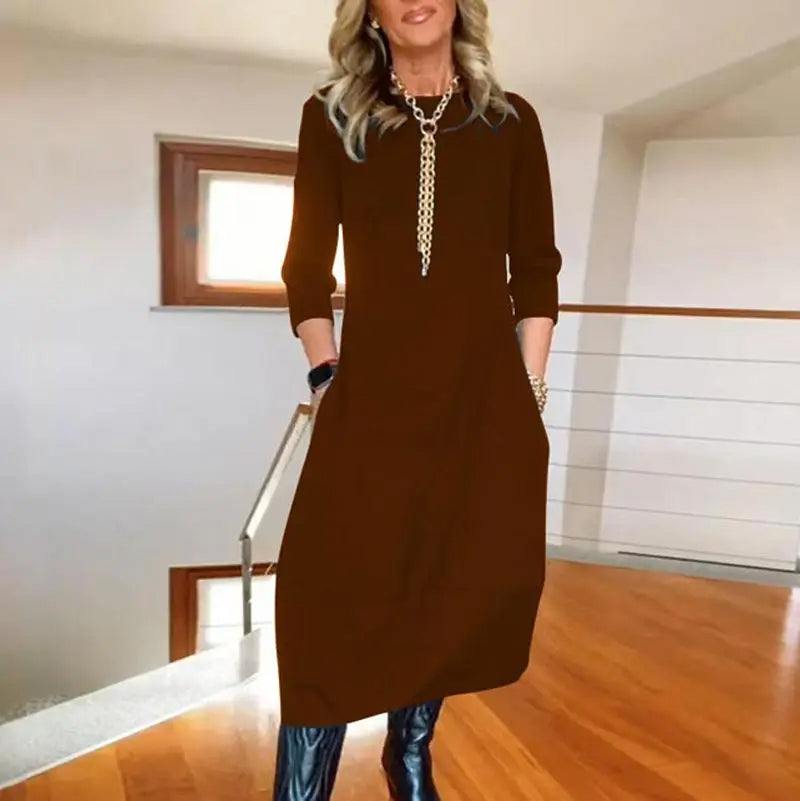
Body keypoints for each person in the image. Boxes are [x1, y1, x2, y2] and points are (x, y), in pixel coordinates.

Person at [273, 0, 561, 798]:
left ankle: (408, 752)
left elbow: (535, 266)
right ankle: (300, 788)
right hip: (370, 397)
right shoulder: (332, 117)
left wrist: (529, 390)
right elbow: (305, 265)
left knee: (448, 579)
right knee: (325, 590)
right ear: (369, 13)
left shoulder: (511, 122)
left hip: (482, 403)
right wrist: (326, 374)